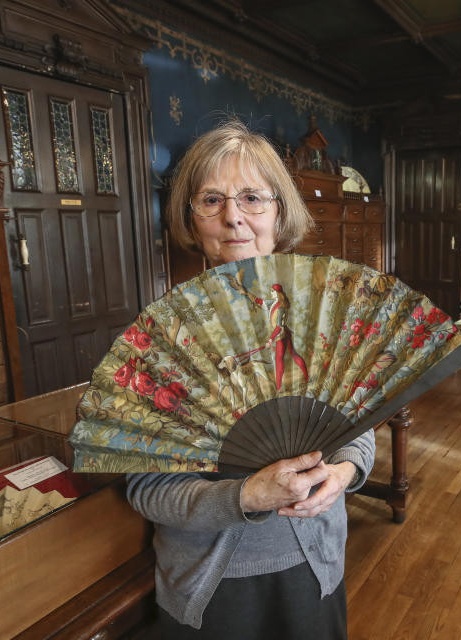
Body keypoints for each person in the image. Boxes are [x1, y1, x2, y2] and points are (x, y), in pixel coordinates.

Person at [130, 120, 375, 638]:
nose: (234, 218)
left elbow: (359, 425)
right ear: (190, 218)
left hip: (315, 566)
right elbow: (146, 488)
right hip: (211, 585)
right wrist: (245, 497)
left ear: (278, 211)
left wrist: (345, 473)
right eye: (212, 200)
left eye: (251, 198)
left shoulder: (322, 320)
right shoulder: (158, 339)